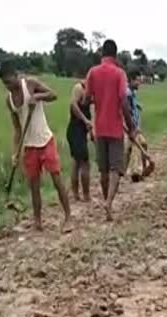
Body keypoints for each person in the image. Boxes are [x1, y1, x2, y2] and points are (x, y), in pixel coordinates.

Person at [0, 60, 72, 232]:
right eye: (4, 84)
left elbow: (53, 95)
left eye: (9, 82)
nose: (8, 86)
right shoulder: (9, 101)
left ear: (16, 75)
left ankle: (68, 216)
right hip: (29, 146)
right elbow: (17, 129)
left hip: (45, 140)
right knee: (34, 185)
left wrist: (37, 97)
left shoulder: (30, 84)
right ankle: (37, 221)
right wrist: (15, 151)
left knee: (56, 179)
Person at [85, 39, 135, 221]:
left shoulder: (92, 72)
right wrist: (131, 127)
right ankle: (108, 202)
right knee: (115, 168)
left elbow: (85, 99)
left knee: (103, 170)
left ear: (102, 54)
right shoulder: (119, 74)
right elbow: (123, 101)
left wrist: (96, 99)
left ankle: (106, 199)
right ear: (116, 55)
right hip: (115, 128)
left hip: (99, 128)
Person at [66, 79, 92, 202]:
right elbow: (73, 105)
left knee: (76, 162)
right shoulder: (79, 88)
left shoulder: (90, 90)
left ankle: (76, 194)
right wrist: (85, 120)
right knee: (84, 162)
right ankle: (85, 195)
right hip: (75, 130)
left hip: (81, 131)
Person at [125, 70, 149, 179]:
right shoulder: (127, 93)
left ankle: (143, 168)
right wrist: (133, 128)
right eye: (137, 80)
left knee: (142, 145)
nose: (139, 83)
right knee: (134, 148)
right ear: (131, 80)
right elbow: (126, 110)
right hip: (130, 126)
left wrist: (137, 105)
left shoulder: (132, 92)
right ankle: (135, 172)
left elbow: (131, 105)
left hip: (135, 124)